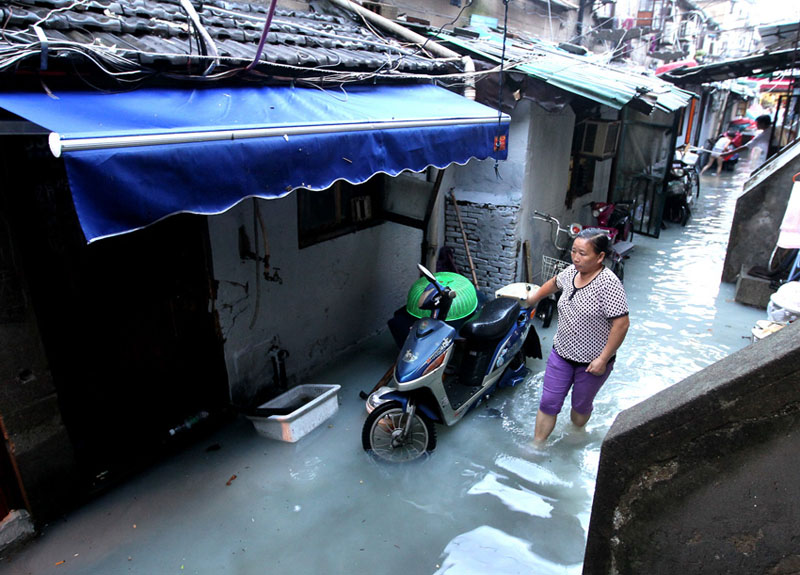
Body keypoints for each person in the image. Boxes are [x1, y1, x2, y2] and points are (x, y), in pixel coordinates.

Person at [526, 230, 630, 446]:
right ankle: (536, 446)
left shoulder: (608, 284)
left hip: (592, 363)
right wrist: (535, 297)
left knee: (580, 407)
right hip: (562, 354)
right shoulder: (572, 271)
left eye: (582, 253)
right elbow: (555, 283)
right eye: (574, 251)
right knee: (549, 402)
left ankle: (576, 431)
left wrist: (603, 359)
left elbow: (621, 324)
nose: (575, 258)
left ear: (600, 257)